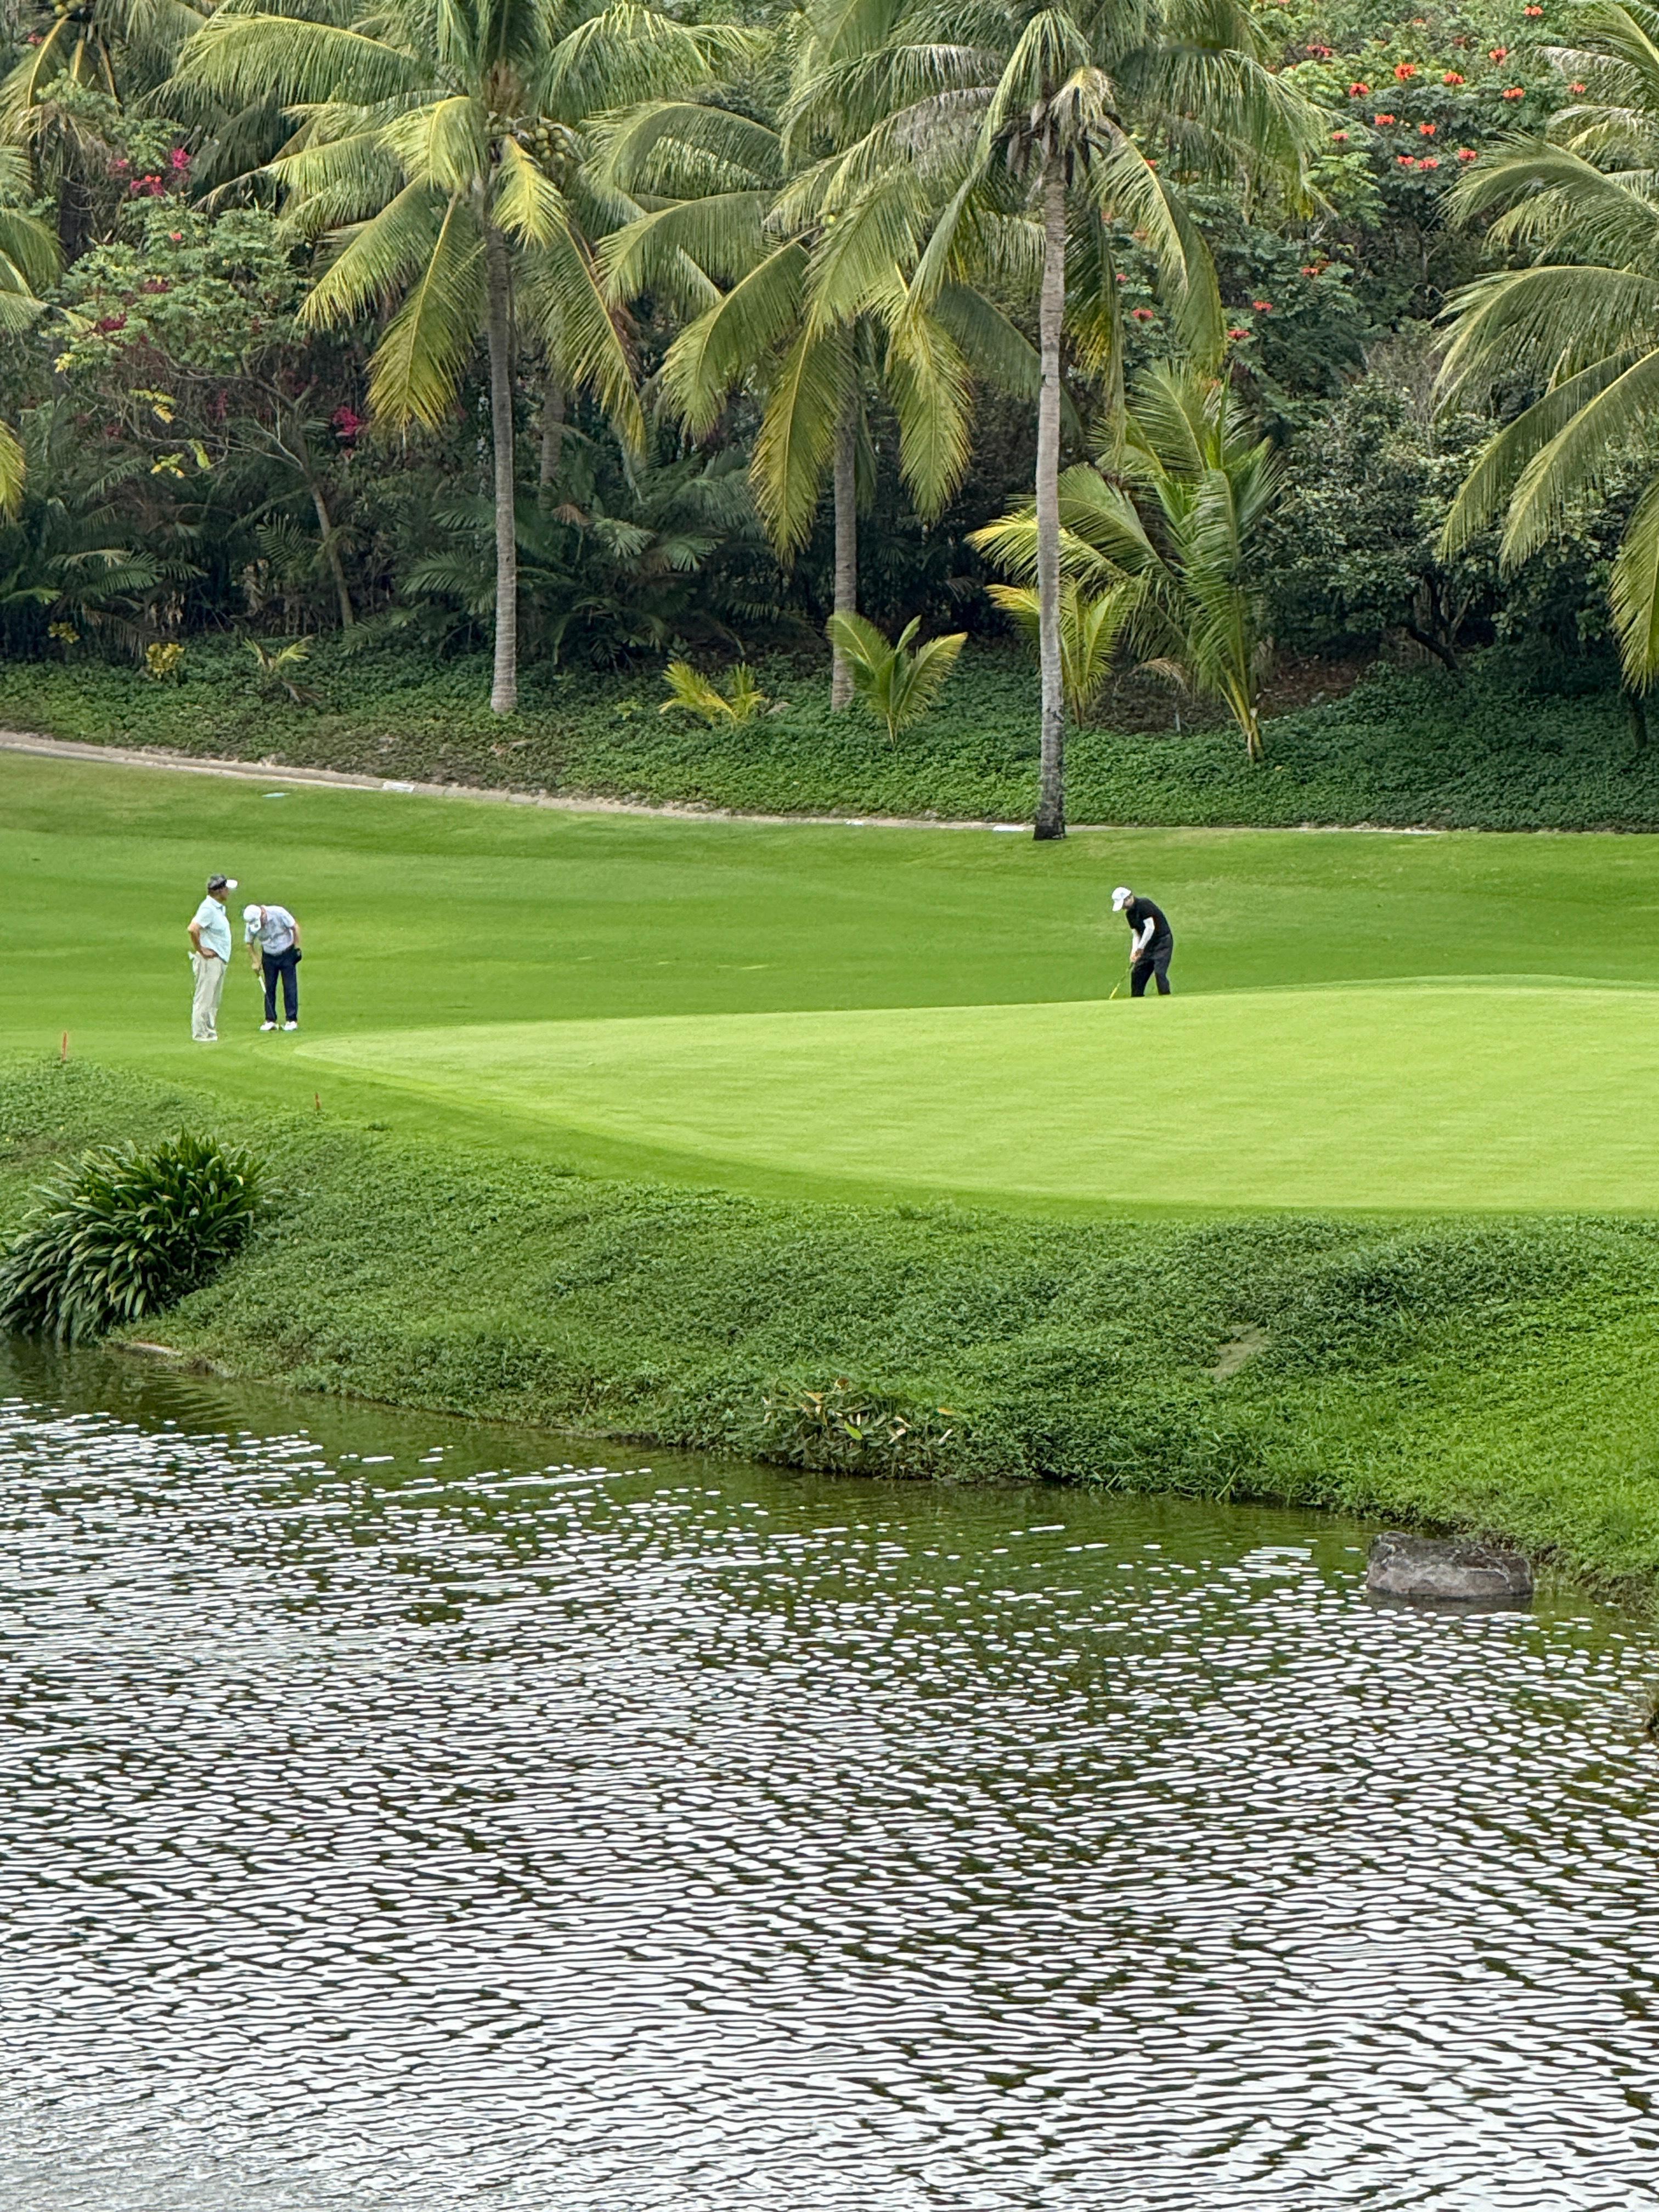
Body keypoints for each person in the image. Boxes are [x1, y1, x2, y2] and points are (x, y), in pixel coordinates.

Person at [187, 873, 238, 1042]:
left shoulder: (217, 908)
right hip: (210, 961)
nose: (229, 892)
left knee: (214, 999)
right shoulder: (208, 908)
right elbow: (193, 929)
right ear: (220, 890)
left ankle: (209, 1031)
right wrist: (201, 950)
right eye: (227, 889)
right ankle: (201, 1033)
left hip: (219, 959)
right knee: (205, 997)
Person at [244, 900, 303, 1031]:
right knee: (269, 987)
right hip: (269, 956)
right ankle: (270, 1020)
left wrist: (296, 947)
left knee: (290, 986)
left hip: (287, 952)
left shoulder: (278, 913)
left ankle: (291, 1020)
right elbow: (249, 943)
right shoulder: (251, 925)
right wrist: (255, 961)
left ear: (263, 914)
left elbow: (295, 927)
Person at [1112, 885, 1174, 996]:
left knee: (1160, 973)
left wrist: (1140, 948)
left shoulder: (1144, 904)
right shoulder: (1129, 914)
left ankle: (1166, 998)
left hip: (1162, 942)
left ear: (1129, 898)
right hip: (1147, 946)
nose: (1123, 908)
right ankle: (1136, 1000)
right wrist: (1134, 952)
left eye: (1123, 904)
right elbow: (1136, 935)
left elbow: (1150, 928)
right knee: (1137, 973)